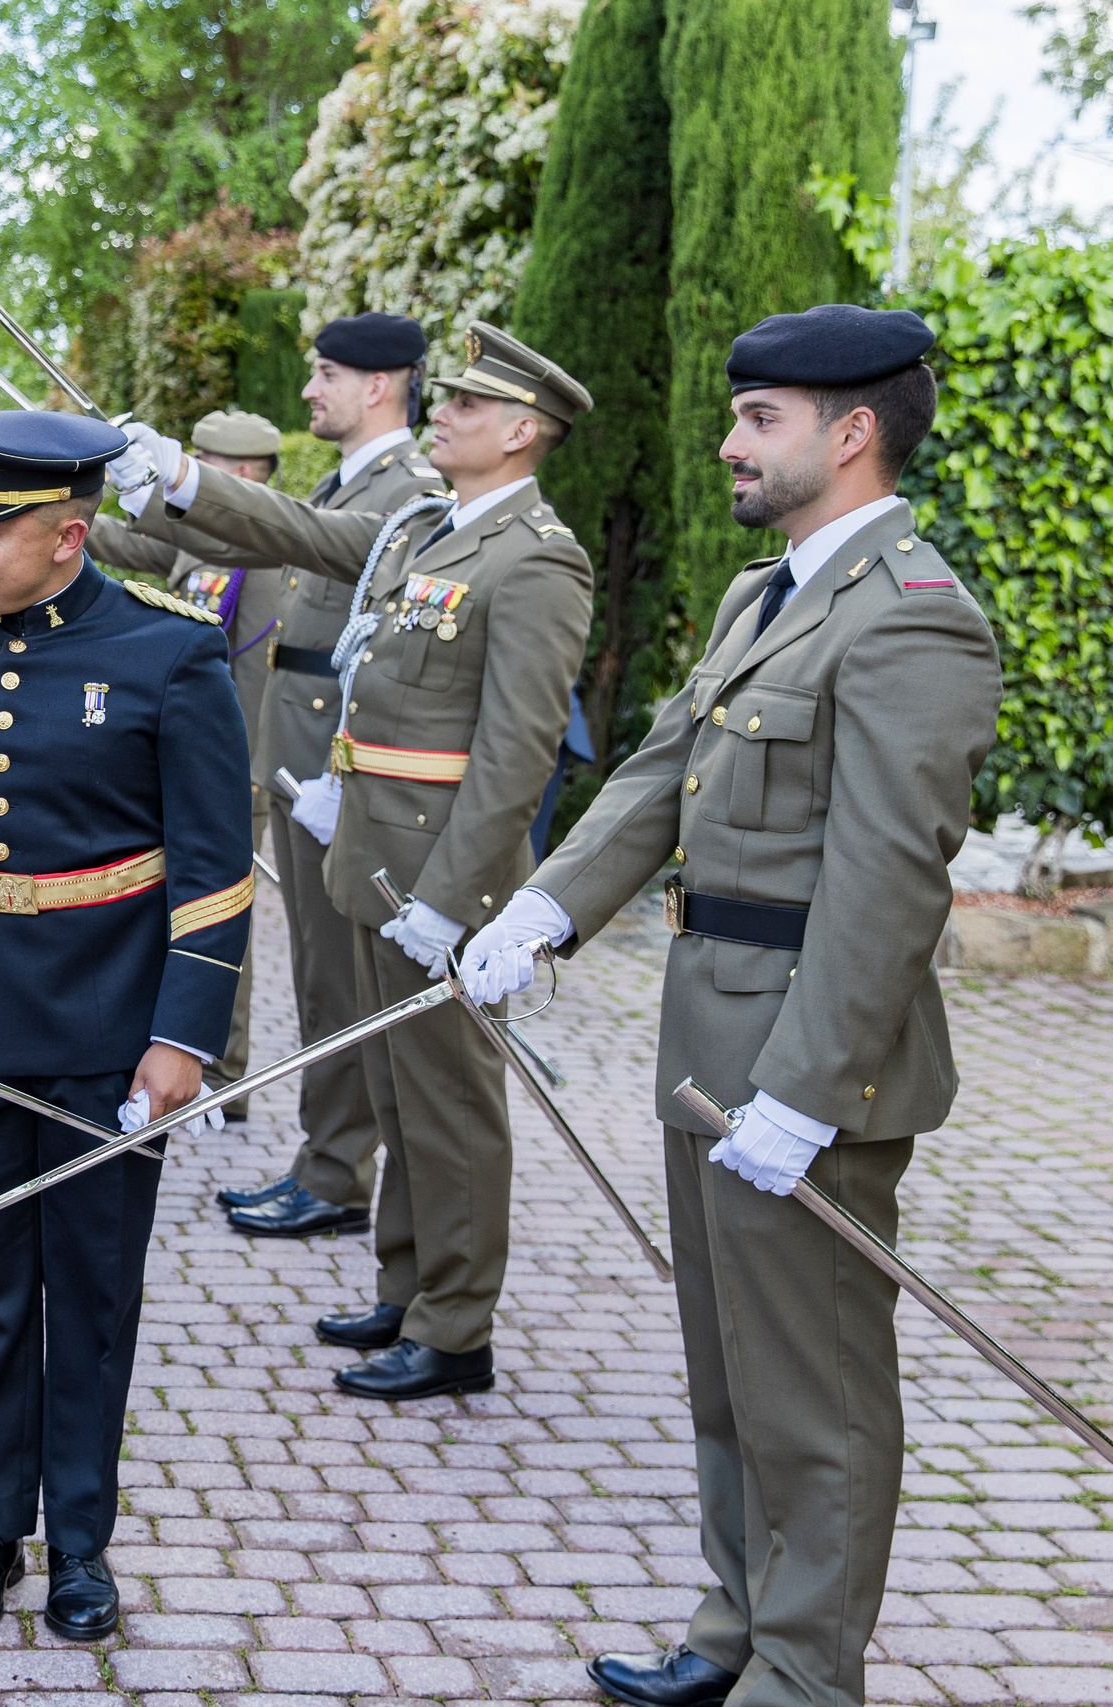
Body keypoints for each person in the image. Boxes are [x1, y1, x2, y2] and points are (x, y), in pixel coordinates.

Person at [457, 305, 999, 1707]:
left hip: (808, 1063)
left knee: (812, 1389)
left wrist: (809, 1088)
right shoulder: (767, 596)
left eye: (760, 418)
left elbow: (889, 884)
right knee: (730, 1371)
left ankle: (807, 1675)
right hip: (710, 1033)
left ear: (852, 430)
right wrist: (544, 906)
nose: (729, 441)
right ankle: (735, 1628)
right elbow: (654, 775)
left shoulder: (914, 617)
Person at [114, 322, 594, 1401]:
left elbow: (515, 753)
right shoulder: (430, 529)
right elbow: (300, 533)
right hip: (372, 858)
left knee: (451, 1105)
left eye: (468, 405)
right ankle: (409, 1289)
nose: (445, 414)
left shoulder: (535, 556)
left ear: (522, 431)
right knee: (395, 1081)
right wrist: (180, 483)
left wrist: (455, 898)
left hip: (437, 880)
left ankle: (456, 1325)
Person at [0, 410, 252, 1643]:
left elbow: (213, 864)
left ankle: (80, 1542)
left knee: (88, 1290)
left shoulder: (167, 652)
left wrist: (184, 1036)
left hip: (105, 1023)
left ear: (68, 536)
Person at [187, 317, 448, 1238]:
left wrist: (187, 483)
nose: (310, 391)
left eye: (326, 374)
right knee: (318, 972)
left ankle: (336, 1170)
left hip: (337, 767)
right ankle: (324, 1159)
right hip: (299, 762)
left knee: (338, 982)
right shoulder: (354, 479)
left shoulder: (409, 492)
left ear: (380, 385)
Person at [87, 407, 285, 1122]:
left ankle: (221, 1067)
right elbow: (120, 540)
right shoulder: (200, 545)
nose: (180, 472)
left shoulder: (259, 549)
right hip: (182, 760)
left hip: (239, 765)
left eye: (200, 462)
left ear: (240, 475)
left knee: (222, 912)